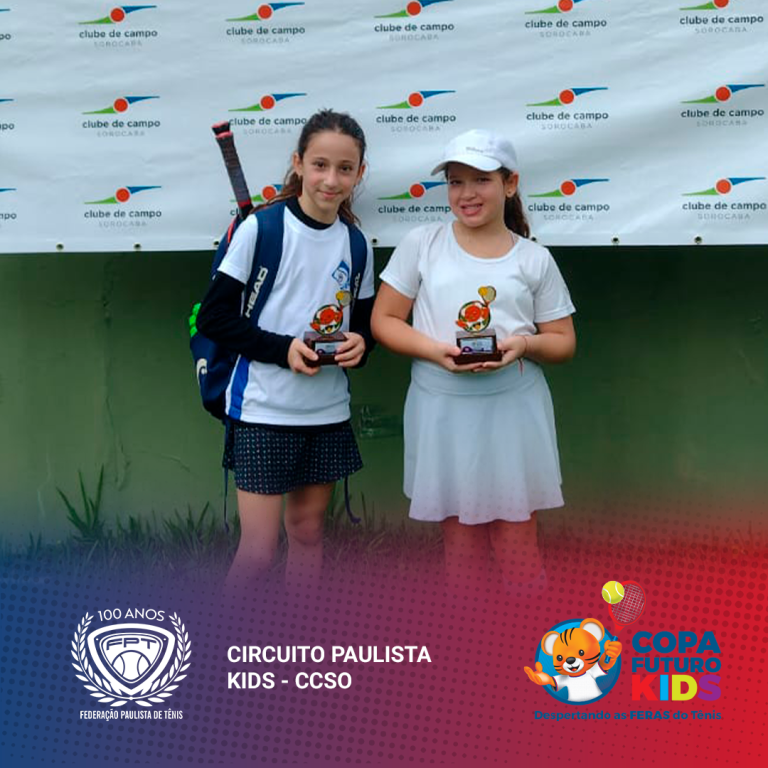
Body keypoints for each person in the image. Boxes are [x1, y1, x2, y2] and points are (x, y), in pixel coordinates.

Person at [371, 129, 576, 600]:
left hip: (513, 410)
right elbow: (384, 320)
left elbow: (563, 342)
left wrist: (523, 345)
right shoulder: (422, 243)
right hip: (441, 410)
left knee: (516, 538)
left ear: (510, 183)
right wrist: (435, 352)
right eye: (455, 181)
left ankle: (529, 631)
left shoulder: (534, 259)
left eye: (481, 180)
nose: (466, 194)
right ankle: (467, 633)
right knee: (460, 543)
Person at [196, 109, 375, 592]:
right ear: (298, 163)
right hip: (263, 411)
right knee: (258, 551)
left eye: (344, 168)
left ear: (360, 173)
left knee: (308, 533)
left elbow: (362, 327)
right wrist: (284, 350)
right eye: (319, 165)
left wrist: (362, 344)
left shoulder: (357, 243)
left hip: (326, 412)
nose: (331, 180)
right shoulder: (262, 229)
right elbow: (214, 318)